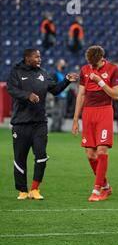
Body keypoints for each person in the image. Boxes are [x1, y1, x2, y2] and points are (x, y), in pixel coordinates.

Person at [7, 49, 77, 200]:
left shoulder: (43, 73)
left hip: (39, 123)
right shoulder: (16, 72)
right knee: (20, 157)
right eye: (36, 56)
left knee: (41, 155)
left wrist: (66, 80)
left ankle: (35, 189)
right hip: (20, 123)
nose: (40, 59)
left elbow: (55, 90)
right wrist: (27, 95)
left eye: (40, 56)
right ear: (27, 58)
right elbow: (11, 89)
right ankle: (22, 191)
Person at [72, 45, 118, 202]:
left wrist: (100, 82)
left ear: (102, 58)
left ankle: (97, 190)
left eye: (95, 64)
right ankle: (106, 186)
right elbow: (81, 94)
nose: (92, 67)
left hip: (104, 111)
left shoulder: (114, 69)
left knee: (101, 151)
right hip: (88, 113)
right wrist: (75, 119)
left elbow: (117, 95)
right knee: (90, 154)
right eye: (90, 64)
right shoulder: (85, 70)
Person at [50, 59, 70, 132]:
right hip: (58, 96)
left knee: (62, 113)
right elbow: (53, 86)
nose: (64, 65)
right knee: (57, 112)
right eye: (62, 64)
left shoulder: (63, 74)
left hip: (64, 96)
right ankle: (54, 128)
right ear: (58, 64)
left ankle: (59, 127)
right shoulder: (55, 74)